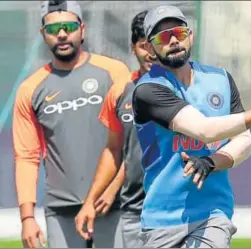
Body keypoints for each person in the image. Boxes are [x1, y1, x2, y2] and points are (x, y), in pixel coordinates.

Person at [129, 5, 251, 248]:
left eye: (178, 33)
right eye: (163, 37)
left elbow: (244, 141)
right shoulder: (148, 90)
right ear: (149, 47)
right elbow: (204, 130)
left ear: (190, 35)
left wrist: (211, 162)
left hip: (212, 213)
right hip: (162, 218)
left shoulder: (220, 79)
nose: (174, 41)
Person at [12, 1, 130, 248]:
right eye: (53, 29)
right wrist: (27, 217)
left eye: (68, 26)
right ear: (43, 34)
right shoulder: (30, 89)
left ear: (82, 30)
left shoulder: (114, 72)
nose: (62, 34)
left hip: (114, 204)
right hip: (62, 210)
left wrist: (114, 188)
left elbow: (134, 142)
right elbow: (26, 157)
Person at [74, 10, 153, 248]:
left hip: (180, 210)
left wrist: (114, 188)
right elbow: (115, 150)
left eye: (154, 45)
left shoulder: (184, 87)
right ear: (133, 47)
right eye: (143, 46)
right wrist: (91, 200)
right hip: (134, 213)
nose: (150, 54)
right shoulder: (121, 91)